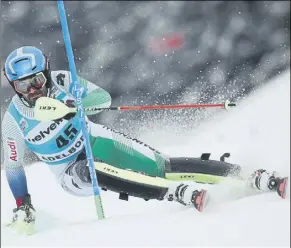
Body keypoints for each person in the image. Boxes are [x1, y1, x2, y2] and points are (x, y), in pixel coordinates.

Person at [2, 46, 287, 231]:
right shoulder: (14, 121)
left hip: (94, 138)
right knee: (90, 169)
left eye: (37, 81)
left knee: (163, 166)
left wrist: (76, 103)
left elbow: (103, 99)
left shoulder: (64, 81)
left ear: (47, 73)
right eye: (22, 85)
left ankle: (249, 176)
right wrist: (22, 204)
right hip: (69, 172)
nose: (32, 91)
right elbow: (13, 166)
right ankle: (172, 193)